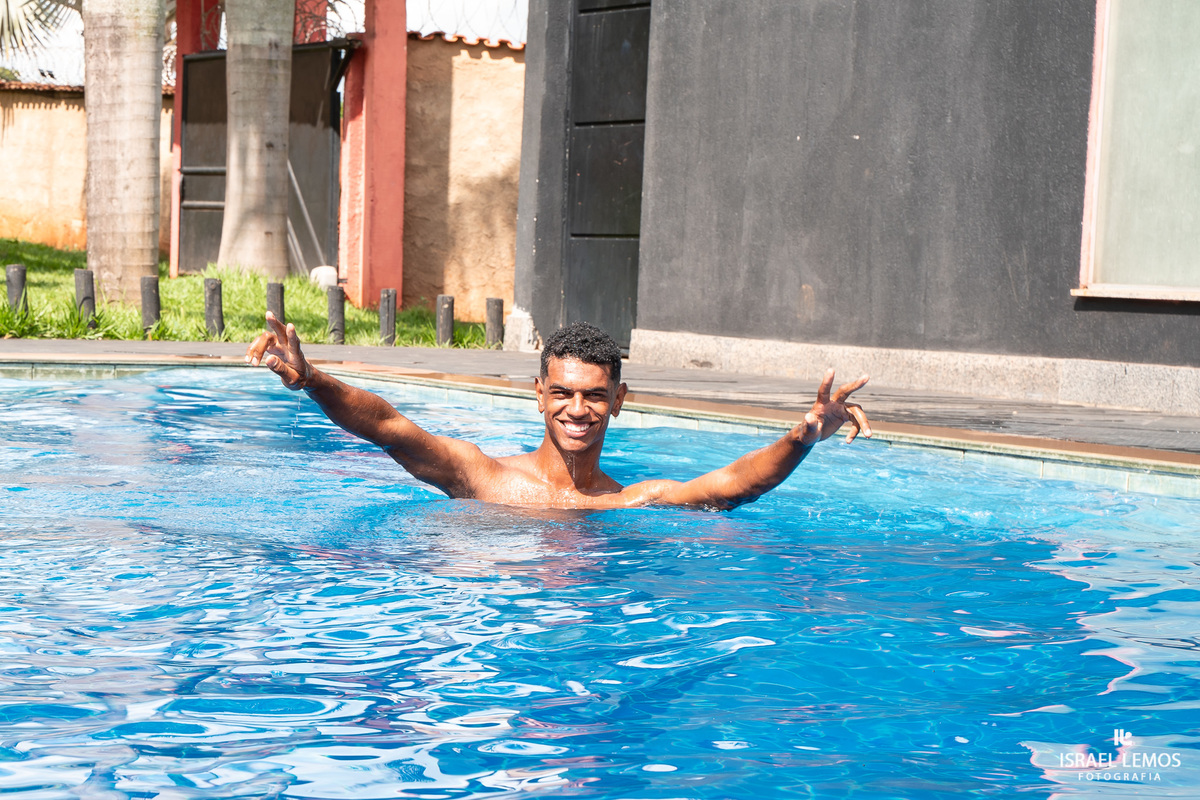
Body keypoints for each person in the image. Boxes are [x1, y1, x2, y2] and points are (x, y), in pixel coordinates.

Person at [245, 314, 872, 510]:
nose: (579, 409)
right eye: (564, 392)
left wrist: (803, 436)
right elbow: (389, 428)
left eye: (596, 395)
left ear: (619, 402)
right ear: (539, 393)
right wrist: (313, 379)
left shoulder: (634, 500)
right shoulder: (483, 477)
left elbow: (732, 487)